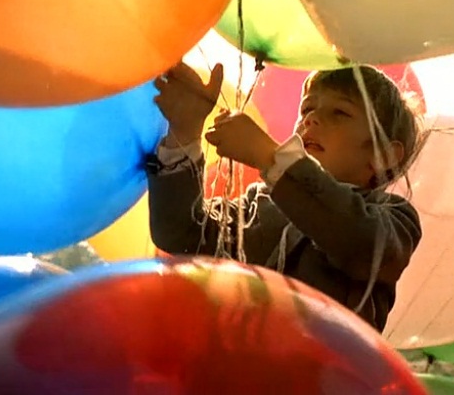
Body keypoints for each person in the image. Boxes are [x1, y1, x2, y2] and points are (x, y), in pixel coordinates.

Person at [146, 62, 423, 332]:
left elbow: (362, 244)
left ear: (383, 155)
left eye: (340, 112)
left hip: (320, 363)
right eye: (307, 109)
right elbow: (181, 233)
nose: (311, 119)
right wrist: (185, 132)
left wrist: (270, 157)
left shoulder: (394, 217)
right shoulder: (259, 202)